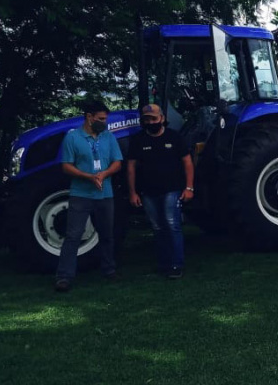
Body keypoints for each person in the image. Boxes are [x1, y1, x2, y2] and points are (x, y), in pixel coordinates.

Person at [54, 100, 124, 292]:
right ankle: (64, 277)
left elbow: (117, 162)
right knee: (73, 235)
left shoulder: (108, 137)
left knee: (107, 234)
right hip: (81, 194)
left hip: (105, 194)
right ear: (89, 117)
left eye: (105, 119)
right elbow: (66, 165)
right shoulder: (73, 138)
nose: (104, 122)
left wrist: (104, 174)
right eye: (101, 119)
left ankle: (109, 270)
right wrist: (87, 177)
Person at [127, 104, 195, 278]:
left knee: (172, 225)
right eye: (147, 119)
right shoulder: (138, 140)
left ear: (162, 119)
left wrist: (189, 187)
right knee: (157, 227)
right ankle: (164, 263)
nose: (151, 122)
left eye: (154, 119)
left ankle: (176, 264)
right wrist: (133, 192)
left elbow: (187, 162)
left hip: (172, 189)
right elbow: (131, 167)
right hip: (148, 191)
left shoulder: (175, 137)